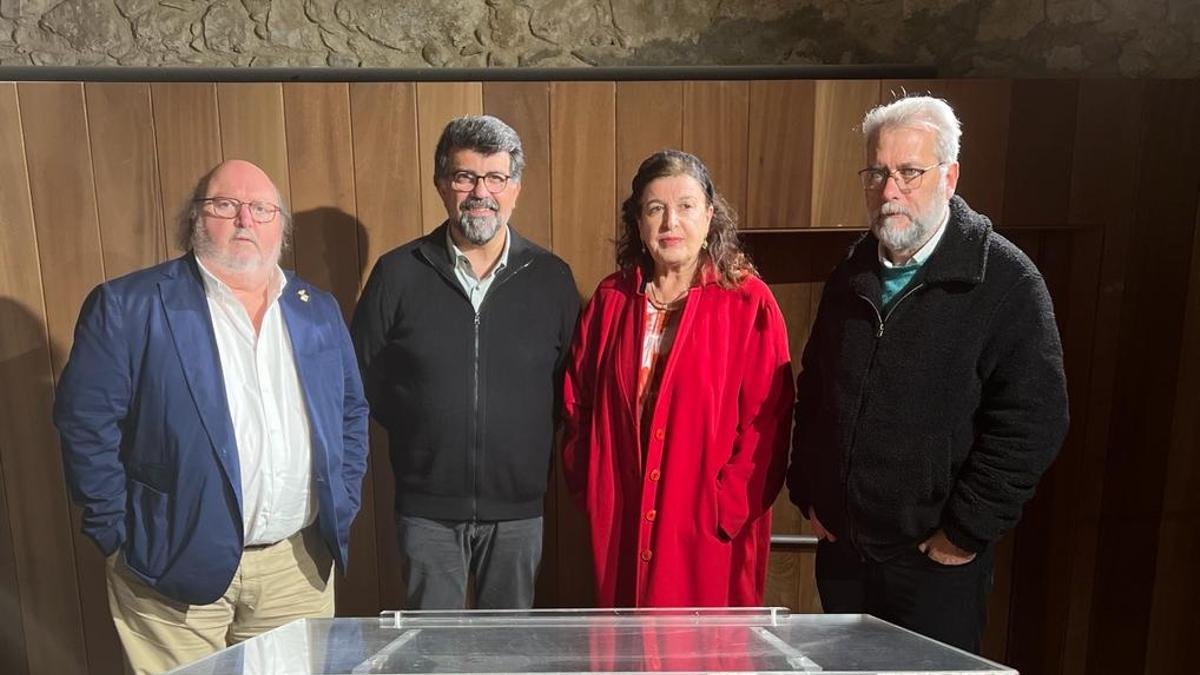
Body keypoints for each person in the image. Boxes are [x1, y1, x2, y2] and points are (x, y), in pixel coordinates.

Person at [53, 159, 370, 674]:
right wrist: (116, 535)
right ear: (196, 219)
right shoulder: (129, 306)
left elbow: (351, 412)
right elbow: (84, 425)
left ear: (280, 227)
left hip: (296, 567)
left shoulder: (317, 309)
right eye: (226, 204)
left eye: (262, 208)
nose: (245, 219)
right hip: (169, 567)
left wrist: (344, 498)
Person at [787, 95, 1069, 652]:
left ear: (950, 176)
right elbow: (814, 388)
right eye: (877, 172)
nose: (890, 192)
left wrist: (965, 530)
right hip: (845, 556)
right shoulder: (850, 275)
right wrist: (808, 491)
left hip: (935, 564)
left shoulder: (1006, 281)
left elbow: (1034, 420)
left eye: (909, 173)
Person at [351, 115, 580, 610]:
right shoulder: (397, 274)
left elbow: (567, 387)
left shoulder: (552, 279)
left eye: (495, 178)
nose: (481, 192)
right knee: (432, 654)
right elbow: (362, 376)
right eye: (465, 177)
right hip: (427, 509)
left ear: (514, 189)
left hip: (518, 509)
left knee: (507, 655)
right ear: (441, 185)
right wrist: (422, 425)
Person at [562, 149, 794, 607]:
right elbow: (577, 404)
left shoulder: (748, 302)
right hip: (623, 525)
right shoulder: (611, 301)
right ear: (638, 223)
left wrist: (724, 511)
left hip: (705, 530)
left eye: (686, 206)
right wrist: (594, 491)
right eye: (655, 209)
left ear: (709, 215)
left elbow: (769, 423)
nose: (671, 222)